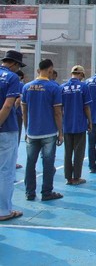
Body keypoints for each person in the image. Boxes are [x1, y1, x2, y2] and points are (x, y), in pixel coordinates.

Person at [22, 59, 64, 201]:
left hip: (32, 132)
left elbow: (24, 111)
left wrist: (27, 130)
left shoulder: (27, 87)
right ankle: (46, 192)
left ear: (38, 70)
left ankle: (29, 192)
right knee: (48, 164)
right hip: (49, 132)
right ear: (50, 69)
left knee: (30, 163)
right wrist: (61, 133)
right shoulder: (53, 88)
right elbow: (57, 112)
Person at [0, 50, 26, 220]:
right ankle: (3, 210)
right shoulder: (12, 78)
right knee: (5, 171)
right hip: (6, 129)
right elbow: (9, 105)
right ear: (15, 64)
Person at [60, 65, 92, 185]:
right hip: (79, 124)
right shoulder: (83, 87)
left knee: (67, 152)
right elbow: (86, 107)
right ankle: (77, 177)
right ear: (81, 75)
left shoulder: (62, 87)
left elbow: (59, 108)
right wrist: (90, 121)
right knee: (79, 152)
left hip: (66, 125)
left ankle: (68, 178)